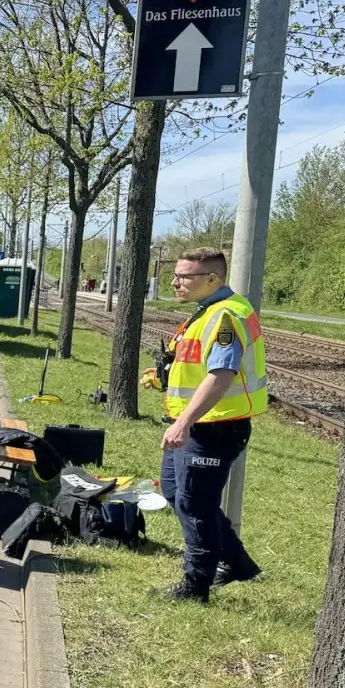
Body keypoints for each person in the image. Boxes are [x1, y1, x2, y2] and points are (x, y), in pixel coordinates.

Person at [140, 246, 268, 603]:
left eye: (184, 276)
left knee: (194, 504)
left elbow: (221, 375)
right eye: (176, 275)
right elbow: (198, 364)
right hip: (197, 425)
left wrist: (183, 421)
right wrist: (165, 376)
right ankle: (238, 563)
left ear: (211, 279)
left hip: (214, 428)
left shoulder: (227, 316)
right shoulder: (207, 310)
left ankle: (195, 586)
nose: (175, 282)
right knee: (175, 492)